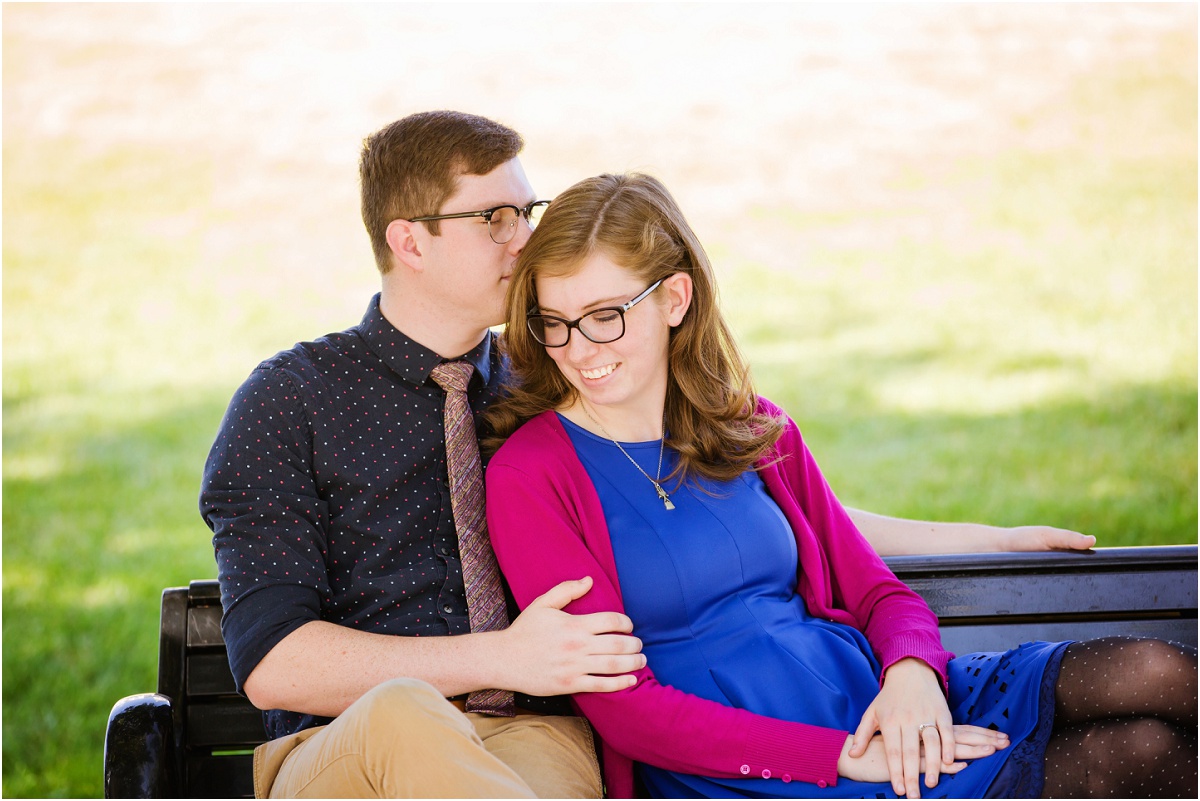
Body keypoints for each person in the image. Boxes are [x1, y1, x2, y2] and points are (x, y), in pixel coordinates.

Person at [200, 110, 1091, 799]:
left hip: (533, 737)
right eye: (495, 216)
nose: (525, 238)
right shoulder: (290, 403)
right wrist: (501, 658)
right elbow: (275, 658)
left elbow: (731, 505)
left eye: (528, 209)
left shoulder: (549, 371)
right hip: (350, 742)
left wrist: (978, 534)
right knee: (405, 712)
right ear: (409, 239)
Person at [483, 172, 1197, 799]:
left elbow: (874, 587)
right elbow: (627, 711)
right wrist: (844, 759)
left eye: (606, 317)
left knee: (1155, 671)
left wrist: (914, 671)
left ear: (674, 297)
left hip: (871, 695)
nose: (580, 350)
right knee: (1137, 755)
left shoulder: (752, 429)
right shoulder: (531, 475)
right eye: (556, 323)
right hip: (745, 765)